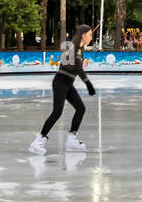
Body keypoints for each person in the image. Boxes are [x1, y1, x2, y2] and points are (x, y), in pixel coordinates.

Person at [30, 24, 95, 155]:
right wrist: (88, 84)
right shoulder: (74, 48)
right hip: (60, 82)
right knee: (57, 112)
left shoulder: (80, 49)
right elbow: (78, 68)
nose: (91, 37)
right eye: (90, 35)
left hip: (67, 83)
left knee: (81, 109)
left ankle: (71, 140)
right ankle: (38, 141)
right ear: (83, 35)